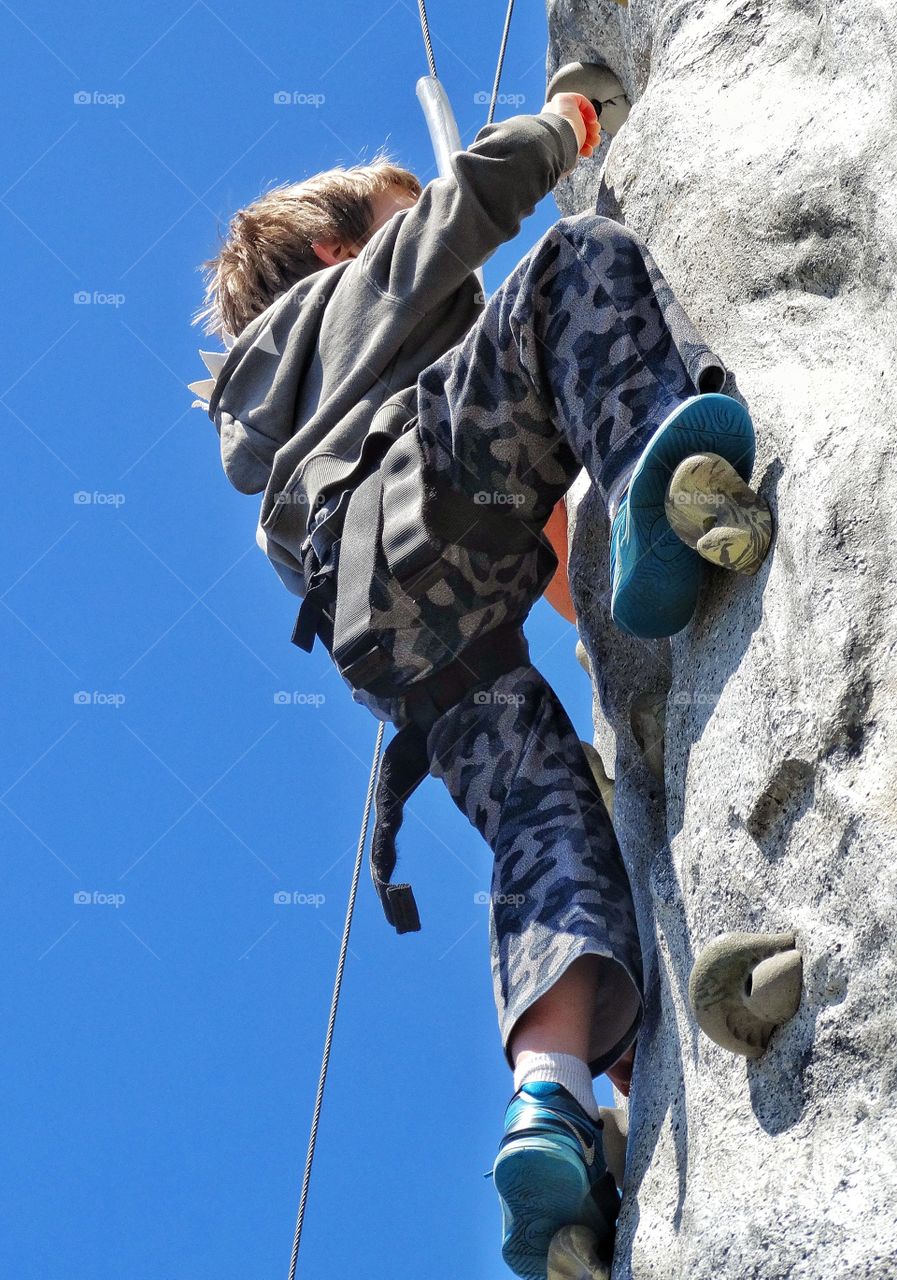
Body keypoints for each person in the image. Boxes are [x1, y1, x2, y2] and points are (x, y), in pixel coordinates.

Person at [193, 91, 761, 1279]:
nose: (442, 295)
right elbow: (475, 200)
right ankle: (668, 473)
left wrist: (587, 601)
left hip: (398, 645)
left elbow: (505, 542)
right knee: (571, 265)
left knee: (548, 813)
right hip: (420, 502)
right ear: (343, 250)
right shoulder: (350, 296)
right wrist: (567, 122)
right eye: (396, 231)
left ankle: (553, 1103)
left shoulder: (271, 450)